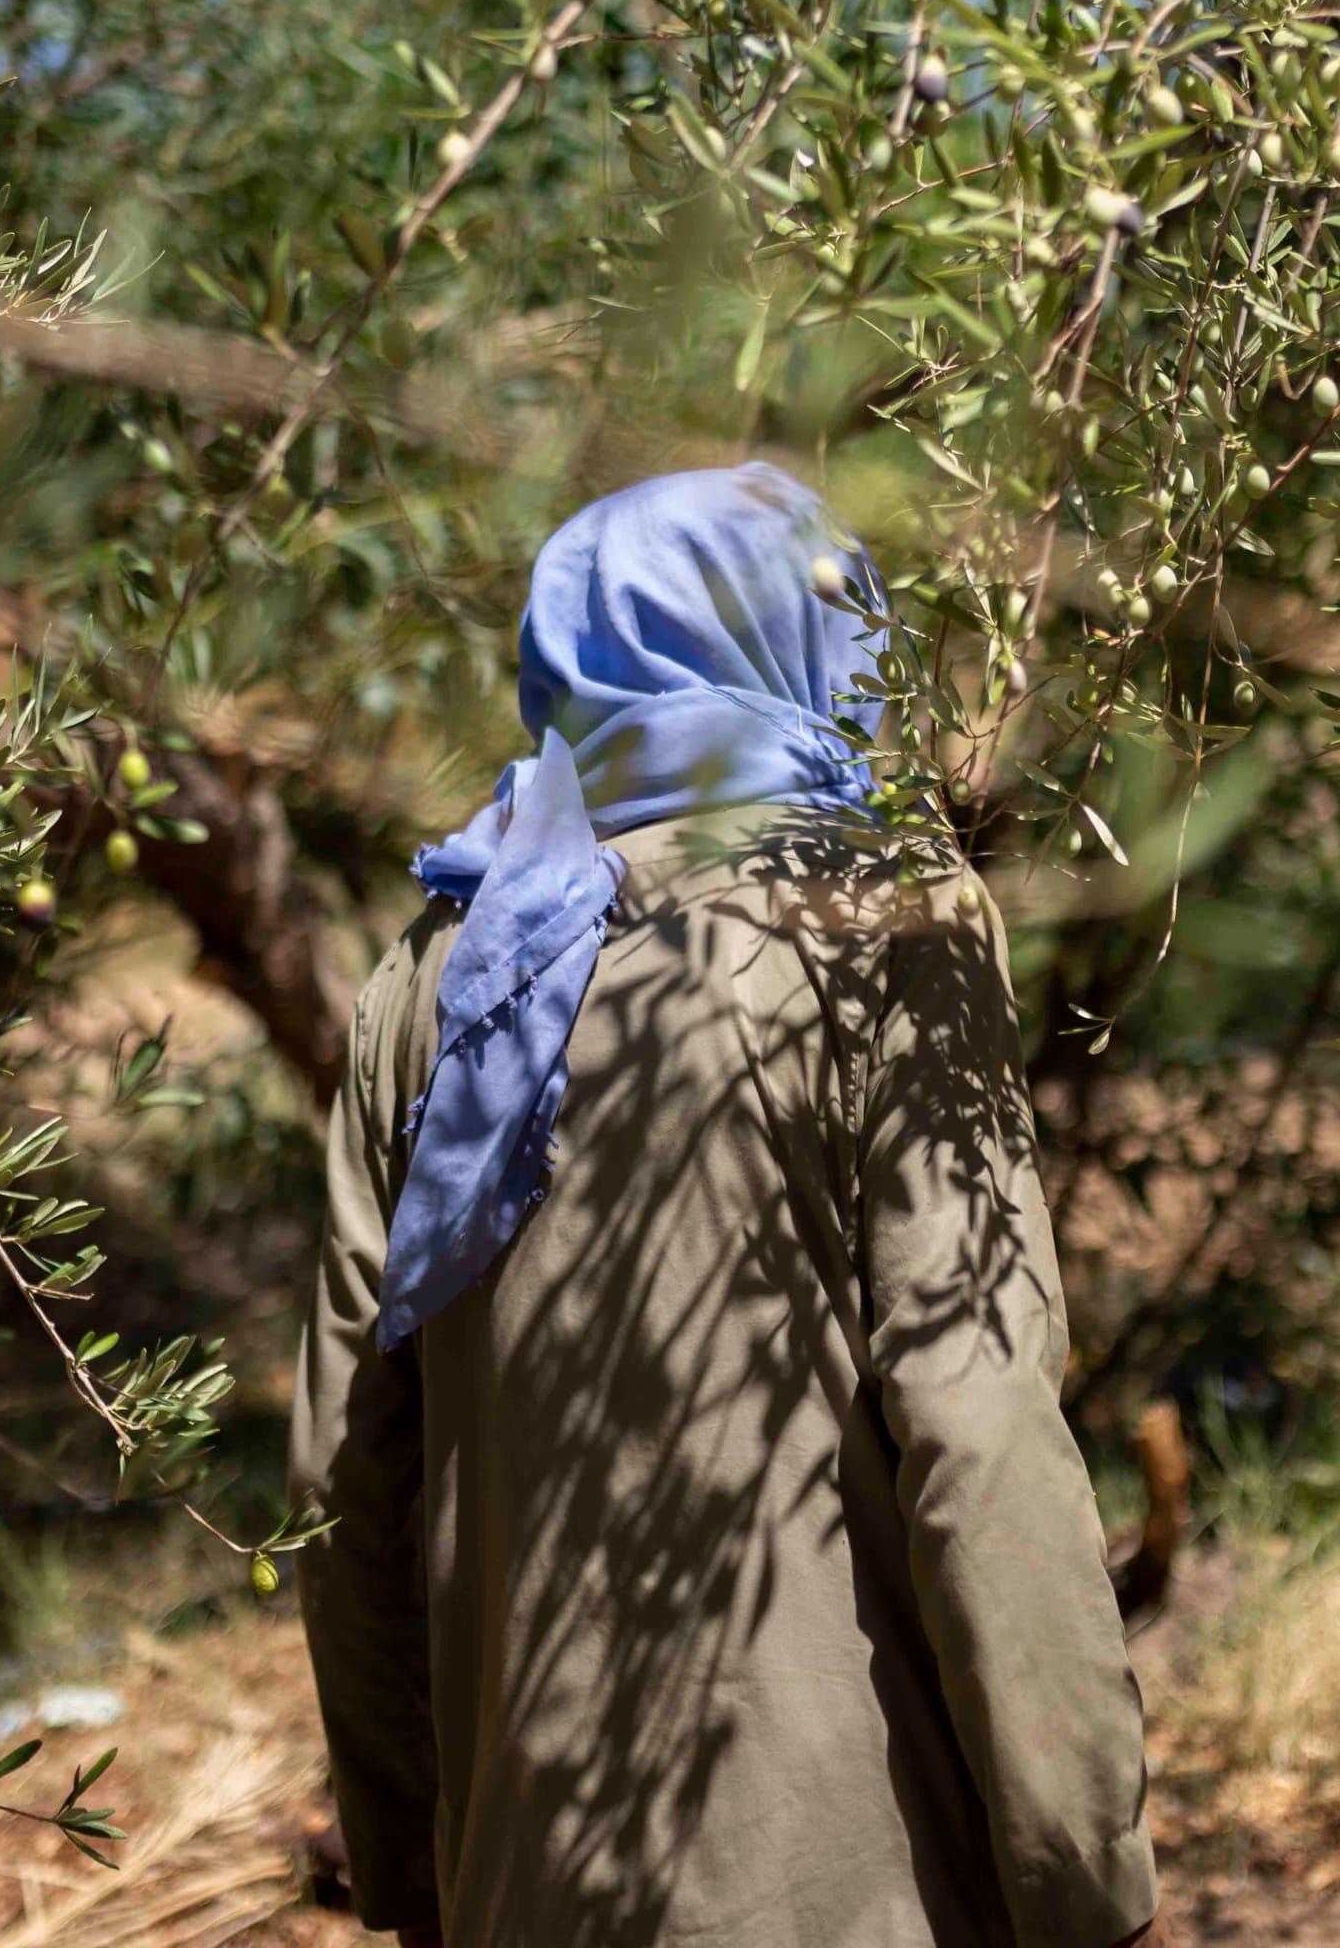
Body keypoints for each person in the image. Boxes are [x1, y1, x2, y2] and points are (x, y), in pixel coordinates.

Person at [291, 465, 1162, 1948]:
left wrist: (419, 1878)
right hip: (862, 1889)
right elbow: (980, 1422)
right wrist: (1087, 1878)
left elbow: (344, 1485)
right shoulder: (886, 918)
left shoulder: (435, 975)